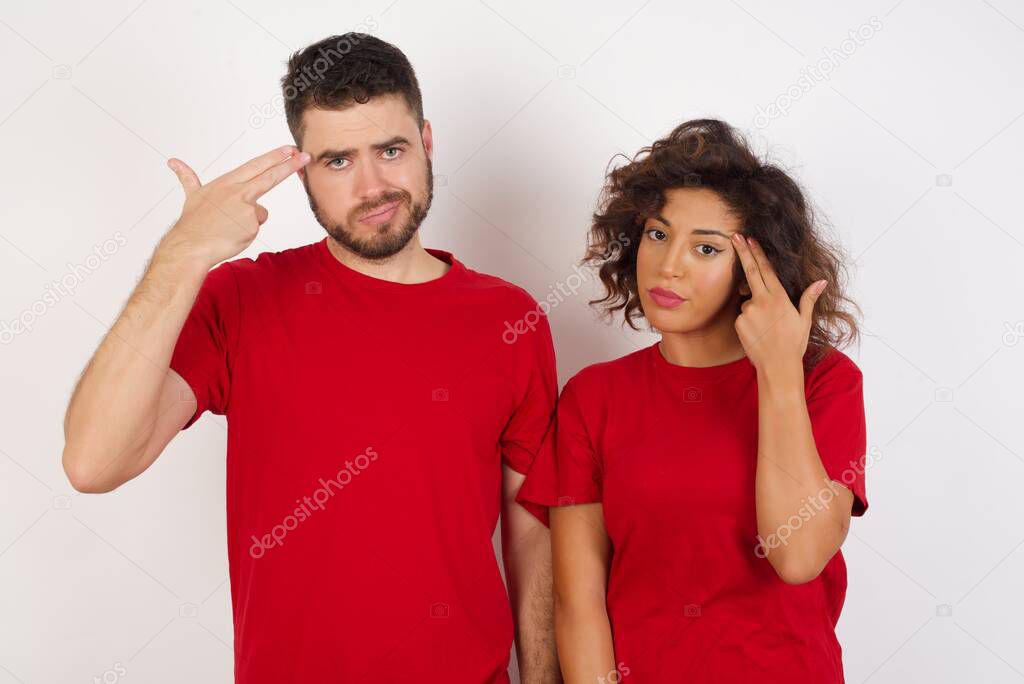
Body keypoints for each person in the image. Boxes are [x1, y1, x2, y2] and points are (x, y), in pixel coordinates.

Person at [62, 33, 559, 683]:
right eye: (337, 161)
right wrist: (181, 256)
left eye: (391, 150)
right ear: (302, 168)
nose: (373, 186)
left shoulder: (510, 320)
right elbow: (93, 462)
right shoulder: (239, 299)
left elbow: (534, 535)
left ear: (426, 140)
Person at [517, 119, 868, 682]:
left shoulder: (824, 382)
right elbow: (577, 605)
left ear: (758, 272)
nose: (669, 263)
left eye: (705, 247)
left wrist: (777, 372)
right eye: (659, 234)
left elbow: (799, 556)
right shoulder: (595, 397)